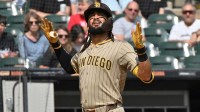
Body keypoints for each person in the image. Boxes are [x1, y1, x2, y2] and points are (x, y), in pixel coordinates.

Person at [40, 2, 153, 112]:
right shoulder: (85, 49)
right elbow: (70, 67)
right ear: (88, 23)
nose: (95, 18)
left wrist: (141, 51)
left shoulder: (121, 47)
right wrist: (55, 44)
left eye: (101, 15)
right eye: (92, 16)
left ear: (109, 22)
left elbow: (146, 76)